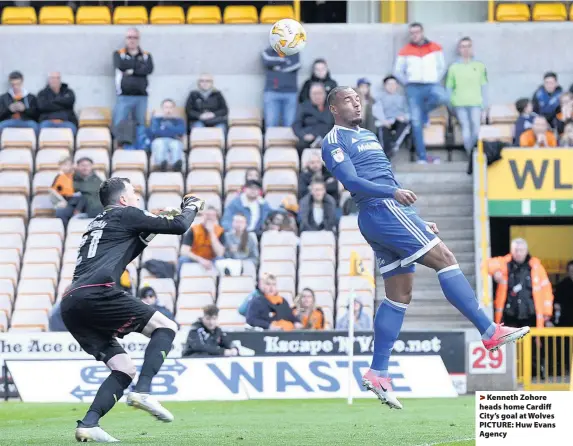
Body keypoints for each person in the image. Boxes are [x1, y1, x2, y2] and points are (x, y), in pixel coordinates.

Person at [321, 86, 530, 410]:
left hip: (389, 214)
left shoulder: (369, 136)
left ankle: (378, 372)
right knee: (445, 259)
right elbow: (353, 182)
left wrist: (417, 219)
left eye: (358, 98)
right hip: (379, 209)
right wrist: (394, 194)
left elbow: (380, 175)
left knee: (399, 296)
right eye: (348, 99)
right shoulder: (334, 141)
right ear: (334, 108)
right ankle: (489, 331)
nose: (357, 102)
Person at [60, 176, 205, 442]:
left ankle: (89, 423)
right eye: (134, 192)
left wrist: (150, 228)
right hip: (98, 291)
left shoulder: (97, 224)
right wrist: (192, 205)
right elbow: (180, 225)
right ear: (124, 199)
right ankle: (144, 392)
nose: (137, 197)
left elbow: (128, 247)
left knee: (123, 367)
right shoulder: (126, 213)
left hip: (71, 302)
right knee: (166, 327)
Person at [394, 23, 448, 164]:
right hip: (413, 87)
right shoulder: (405, 50)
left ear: (422, 32)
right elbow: (397, 71)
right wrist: (407, 82)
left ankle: (423, 112)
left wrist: (435, 79)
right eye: (412, 33)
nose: (415, 35)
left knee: (443, 97)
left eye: (417, 32)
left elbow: (442, 66)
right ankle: (422, 156)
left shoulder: (435, 47)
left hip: (431, 84)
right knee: (416, 122)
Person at [487, 238, 554, 329]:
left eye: (521, 250)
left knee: (532, 341)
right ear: (511, 251)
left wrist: (547, 311)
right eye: (516, 250)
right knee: (510, 341)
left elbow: (547, 290)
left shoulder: (536, 267)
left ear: (526, 251)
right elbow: (486, 264)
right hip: (509, 315)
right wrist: (495, 271)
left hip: (531, 315)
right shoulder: (504, 264)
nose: (518, 253)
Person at [445, 37, 488, 156]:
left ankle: (473, 150)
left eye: (468, 46)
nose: (466, 49)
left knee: (476, 127)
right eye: (463, 46)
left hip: (476, 103)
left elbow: (484, 86)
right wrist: (449, 104)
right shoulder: (453, 67)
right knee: (465, 127)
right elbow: (449, 87)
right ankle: (470, 153)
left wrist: (485, 105)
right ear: (459, 49)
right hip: (459, 103)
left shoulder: (479, 66)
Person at [113, 28, 153, 128]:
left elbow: (148, 69)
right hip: (124, 96)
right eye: (129, 37)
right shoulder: (119, 54)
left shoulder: (146, 55)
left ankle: (139, 144)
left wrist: (132, 70)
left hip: (142, 96)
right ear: (125, 39)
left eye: (135, 37)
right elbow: (121, 65)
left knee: (140, 125)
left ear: (139, 39)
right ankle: (121, 144)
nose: (132, 40)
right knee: (120, 124)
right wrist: (139, 67)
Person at [261, 45, 301, 127]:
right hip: (272, 92)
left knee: (290, 125)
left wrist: (276, 67)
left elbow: (295, 65)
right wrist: (284, 60)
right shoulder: (268, 52)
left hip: (290, 93)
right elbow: (266, 60)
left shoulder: (294, 52)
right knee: (270, 124)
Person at [372, 75, 410, 159]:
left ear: (397, 85)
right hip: (385, 121)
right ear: (385, 86)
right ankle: (388, 152)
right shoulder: (380, 97)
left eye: (393, 84)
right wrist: (384, 121)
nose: (391, 86)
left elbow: (408, 112)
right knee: (383, 129)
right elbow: (376, 110)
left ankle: (394, 144)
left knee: (405, 124)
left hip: (398, 121)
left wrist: (403, 117)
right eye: (389, 84)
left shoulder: (402, 98)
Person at [179, 206, 225, 272]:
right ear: (203, 216)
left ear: (216, 217)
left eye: (213, 215)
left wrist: (211, 232)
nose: (210, 217)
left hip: (211, 259)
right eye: (208, 215)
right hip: (196, 258)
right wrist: (200, 260)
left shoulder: (220, 231)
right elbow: (184, 251)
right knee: (183, 259)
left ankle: (218, 281)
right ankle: (179, 280)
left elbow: (220, 253)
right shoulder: (194, 229)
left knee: (221, 259)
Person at [292, 82, 333, 152]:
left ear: (325, 94)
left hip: (328, 138)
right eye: (314, 94)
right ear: (310, 95)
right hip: (310, 138)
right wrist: (304, 135)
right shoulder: (304, 106)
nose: (317, 96)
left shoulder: (332, 107)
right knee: (300, 145)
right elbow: (296, 125)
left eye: (319, 93)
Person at [150, 99, 185, 172]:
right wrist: (173, 131)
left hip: (174, 140)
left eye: (170, 107)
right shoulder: (156, 120)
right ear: (162, 109)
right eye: (166, 107)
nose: (168, 110)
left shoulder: (179, 121)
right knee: (160, 144)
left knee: (176, 145)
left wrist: (165, 128)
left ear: (173, 109)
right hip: (159, 140)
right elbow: (154, 132)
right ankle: (161, 165)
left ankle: (176, 166)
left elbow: (181, 131)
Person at [554, 261, 573, 327]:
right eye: (571, 271)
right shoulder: (562, 285)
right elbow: (556, 303)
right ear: (568, 272)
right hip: (565, 319)